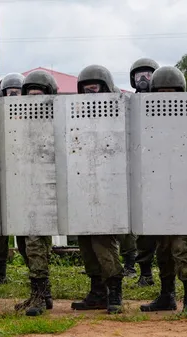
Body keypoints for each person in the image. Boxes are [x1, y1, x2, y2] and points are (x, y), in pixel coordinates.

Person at [138, 66, 187, 316]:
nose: (166, 97)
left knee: (180, 249)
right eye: (161, 92)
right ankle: (167, 296)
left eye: (171, 92)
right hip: (157, 195)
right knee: (162, 250)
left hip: (183, 196)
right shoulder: (146, 119)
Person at [70, 65, 124, 315]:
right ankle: (97, 292)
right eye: (87, 90)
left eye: (96, 89)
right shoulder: (75, 115)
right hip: (82, 185)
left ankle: (114, 292)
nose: (92, 94)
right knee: (86, 245)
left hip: (108, 189)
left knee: (104, 245)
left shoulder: (119, 114)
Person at [11, 69, 57, 316]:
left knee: (36, 245)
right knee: (23, 245)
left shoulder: (58, 120)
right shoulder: (16, 120)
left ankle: (39, 297)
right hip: (22, 190)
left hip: (45, 195)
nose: (34, 99)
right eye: (30, 94)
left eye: (39, 94)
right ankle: (42, 295)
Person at [0, 72, 25, 287]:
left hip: (24, 181)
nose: (13, 96)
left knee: (26, 232)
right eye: (9, 93)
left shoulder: (32, 114)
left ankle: (35, 273)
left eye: (17, 92)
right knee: (0, 232)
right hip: (1, 180)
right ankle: (0, 273)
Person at [129, 57, 160, 285]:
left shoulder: (165, 103)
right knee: (142, 231)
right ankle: (145, 273)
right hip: (138, 174)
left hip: (160, 172)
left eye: (148, 74)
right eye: (139, 75)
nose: (143, 79)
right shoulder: (129, 104)